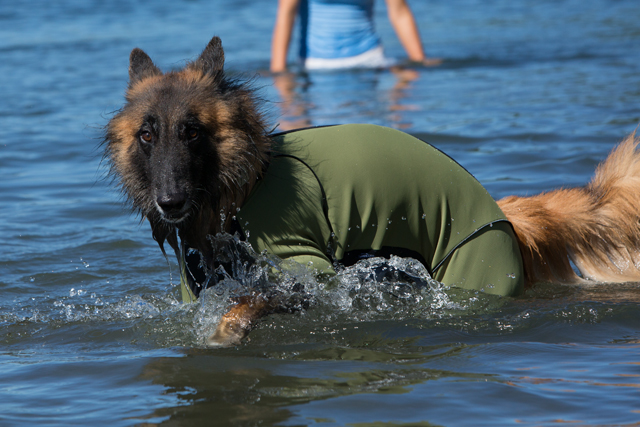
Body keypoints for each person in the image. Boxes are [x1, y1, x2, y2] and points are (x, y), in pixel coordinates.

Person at [270, 0, 442, 72]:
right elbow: (286, 14)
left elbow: (399, 13)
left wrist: (419, 60)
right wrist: (278, 71)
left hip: (370, 61)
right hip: (314, 66)